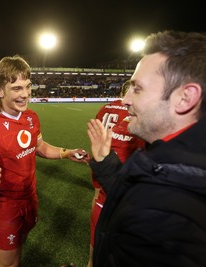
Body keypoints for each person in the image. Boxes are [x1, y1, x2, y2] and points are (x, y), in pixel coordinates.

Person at [87, 30, 206, 267]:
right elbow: (140, 195)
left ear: (185, 98)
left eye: (137, 88)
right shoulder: (184, 159)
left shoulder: (174, 222)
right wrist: (106, 165)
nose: (125, 100)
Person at [0, 55, 88, 267]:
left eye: (28, 86)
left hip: (30, 199)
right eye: (16, 88)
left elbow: (40, 146)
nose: (25, 94)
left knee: (19, 249)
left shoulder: (31, 117)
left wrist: (66, 153)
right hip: (5, 207)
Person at [85, 88, 145, 267]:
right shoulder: (137, 126)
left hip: (104, 160)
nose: (126, 101)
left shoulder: (107, 109)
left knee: (99, 195)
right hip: (112, 169)